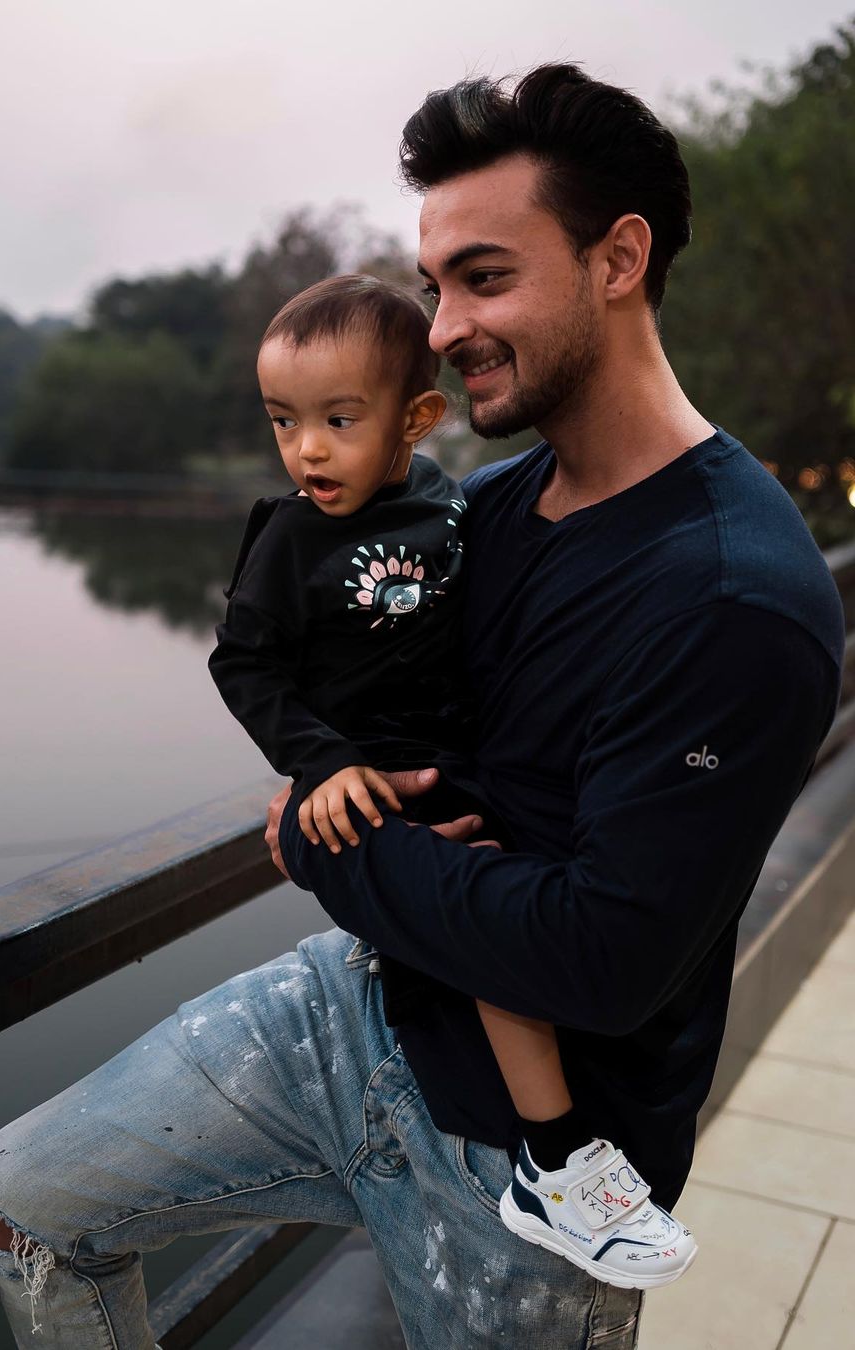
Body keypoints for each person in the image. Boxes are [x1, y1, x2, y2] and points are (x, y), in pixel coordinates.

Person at [0, 64, 844, 1349]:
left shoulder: (733, 595)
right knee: (21, 1205)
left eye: (483, 278)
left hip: (533, 1161)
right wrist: (323, 753)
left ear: (619, 259)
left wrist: (336, 845)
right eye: (434, 286)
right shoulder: (481, 508)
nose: (440, 327)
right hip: (368, 999)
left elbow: (602, 961)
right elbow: (328, 679)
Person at [209, 269, 697, 1288]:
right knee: (490, 938)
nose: (307, 450)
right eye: (283, 421)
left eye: (339, 420)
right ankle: (557, 1153)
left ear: (416, 419)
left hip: (465, 754)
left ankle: (541, 1151)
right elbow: (244, 663)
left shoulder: (446, 502)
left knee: (508, 921)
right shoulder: (292, 537)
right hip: (373, 770)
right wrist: (318, 763)